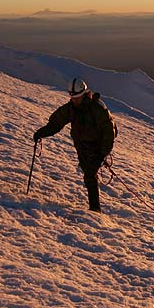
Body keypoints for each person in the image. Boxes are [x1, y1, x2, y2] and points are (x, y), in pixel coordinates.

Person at [33, 77, 116, 212]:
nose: (74, 100)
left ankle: (95, 210)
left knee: (90, 175)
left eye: (77, 97)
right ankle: (94, 209)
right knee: (88, 174)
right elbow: (56, 123)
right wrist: (41, 133)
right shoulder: (71, 108)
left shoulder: (97, 108)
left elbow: (109, 132)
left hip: (96, 148)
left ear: (84, 94)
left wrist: (102, 154)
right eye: (73, 97)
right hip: (82, 147)